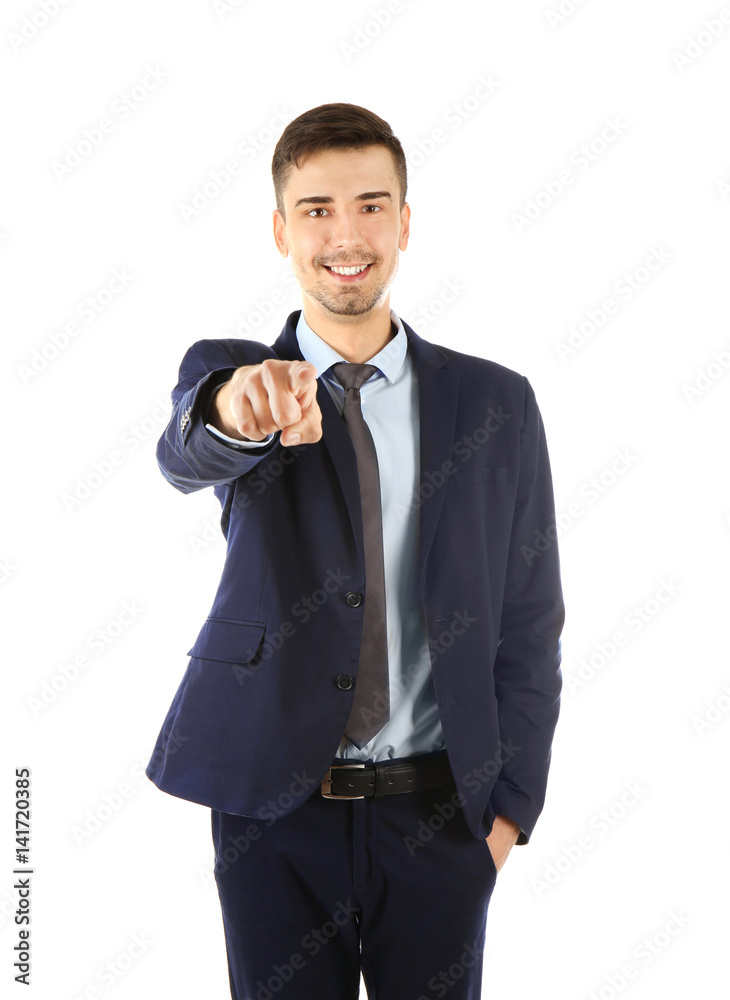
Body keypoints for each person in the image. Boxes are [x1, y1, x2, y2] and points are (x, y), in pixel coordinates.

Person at [146, 102, 564, 999]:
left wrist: (508, 813)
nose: (347, 234)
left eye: (372, 205)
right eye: (317, 209)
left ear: (405, 223)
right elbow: (191, 449)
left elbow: (530, 619)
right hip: (274, 814)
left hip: (443, 816)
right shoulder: (237, 373)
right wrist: (240, 406)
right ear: (280, 230)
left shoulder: (495, 403)